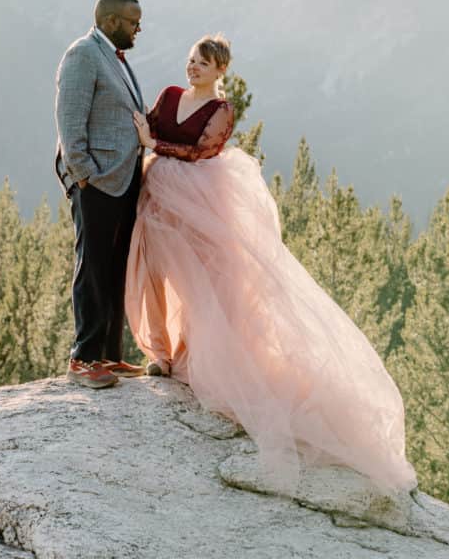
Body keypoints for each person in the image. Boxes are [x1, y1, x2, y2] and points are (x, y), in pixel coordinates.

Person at [126, 34, 416, 491]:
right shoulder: (170, 95)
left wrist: (152, 142)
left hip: (199, 199)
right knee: (155, 272)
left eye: (201, 62)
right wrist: (147, 140)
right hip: (157, 195)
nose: (192, 68)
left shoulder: (221, 110)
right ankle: (161, 352)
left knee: (204, 279)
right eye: (190, 60)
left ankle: (199, 357)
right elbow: (151, 123)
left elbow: (203, 150)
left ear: (220, 69)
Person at [55, 0, 147, 389]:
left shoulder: (116, 58)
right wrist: (83, 174)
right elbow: (69, 121)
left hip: (124, 180)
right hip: (96, 181)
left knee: (114, 269)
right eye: (132, 21)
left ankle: (109, 355)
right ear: (110, 21)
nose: (137, 28)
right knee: (92, 266)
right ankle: (84, 358)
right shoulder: (82, 54)